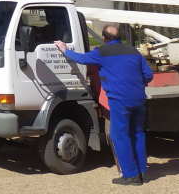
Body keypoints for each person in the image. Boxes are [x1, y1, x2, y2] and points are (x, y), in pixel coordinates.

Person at [55, 26, 154, 186]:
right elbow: (148, 75)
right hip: (139, 98)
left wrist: (64, 49)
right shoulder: (134, 51)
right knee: (137, 133)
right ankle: (143, 172)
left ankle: (131, 176)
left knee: (119, 136)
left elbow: (81, 59)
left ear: (104, 37)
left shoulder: (102, 52)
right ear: (119, 36)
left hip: (119, 100)